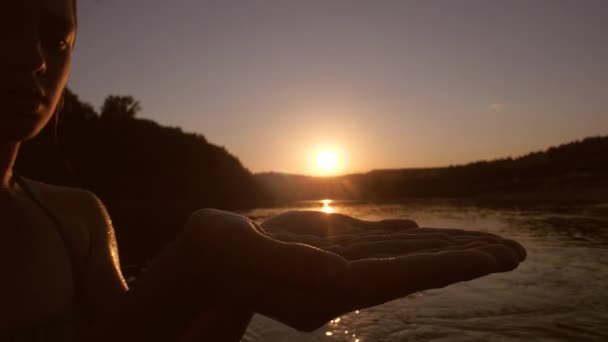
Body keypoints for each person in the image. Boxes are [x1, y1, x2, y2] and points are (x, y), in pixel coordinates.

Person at [0, 0, 526, 341]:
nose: (35, 58)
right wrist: (191, 269)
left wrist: (226, 283)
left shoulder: (78, 218)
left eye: (57, 34)